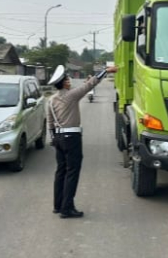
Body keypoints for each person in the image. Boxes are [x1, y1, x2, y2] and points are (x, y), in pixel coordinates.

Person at [47, 64, 118, 219]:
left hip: (58, 138)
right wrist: (106, 71)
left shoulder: (51, 100)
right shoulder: (71, 96)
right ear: (64, 83)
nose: (69, 81)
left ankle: (58, 205)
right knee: (72, 172)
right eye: (67, 79)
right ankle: (67, 208)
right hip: (71, 138)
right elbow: (90, 84)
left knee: (61, 171)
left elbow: (50, 123)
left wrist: (54, 139)